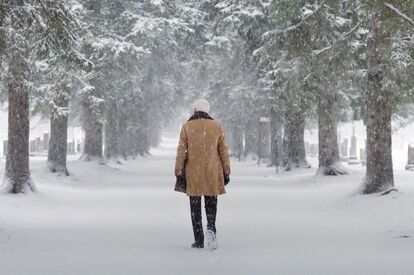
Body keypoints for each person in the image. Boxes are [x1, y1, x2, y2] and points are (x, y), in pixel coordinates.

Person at [175, 99, 231, 249]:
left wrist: (179, 171)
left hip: (193, 172)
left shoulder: (187, 126)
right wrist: (226, 170)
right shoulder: (217, 126)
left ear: (195, 110)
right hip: (212, 171)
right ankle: (211, 228)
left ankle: (199, 239)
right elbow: (223, 150)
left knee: (195, 207)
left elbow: (181, 151)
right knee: (211, 203)